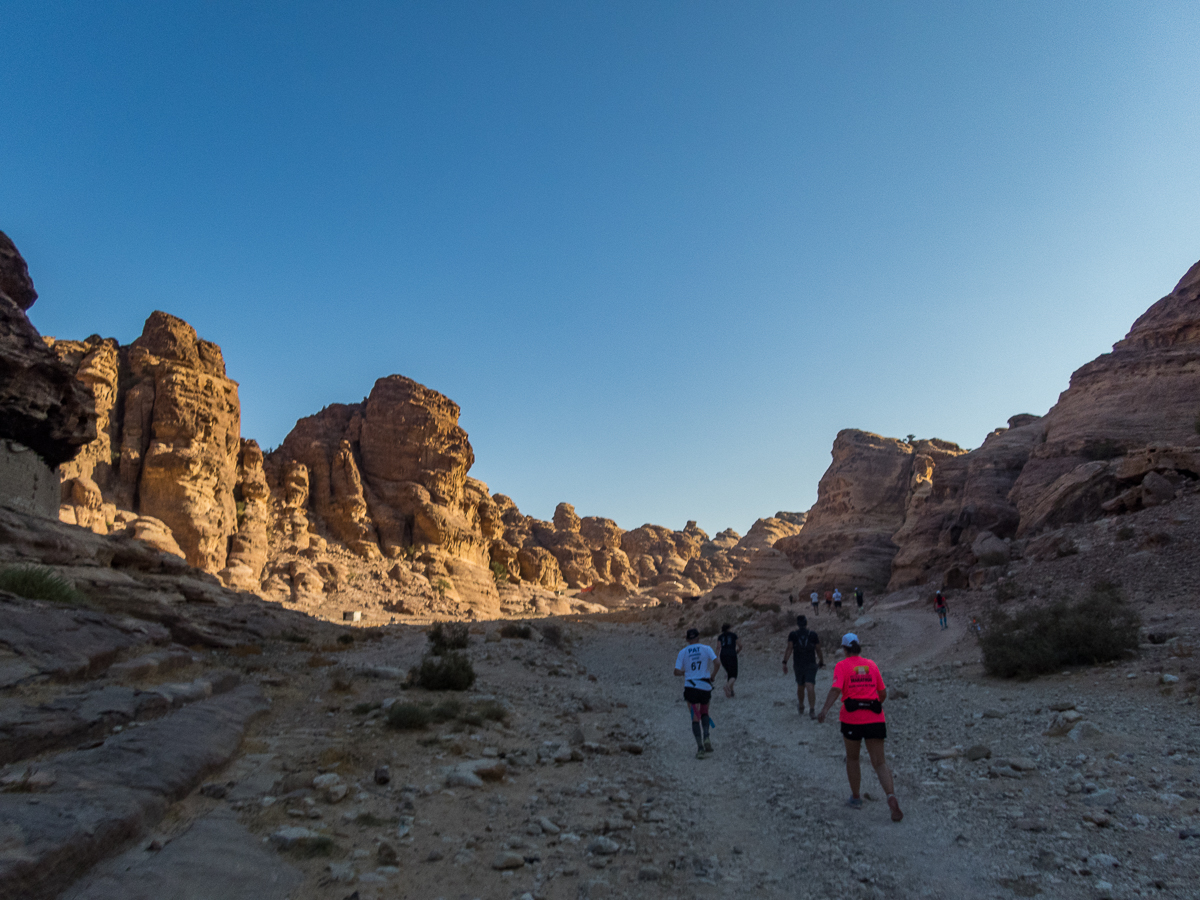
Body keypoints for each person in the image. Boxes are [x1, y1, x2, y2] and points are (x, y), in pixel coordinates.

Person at [816, 633, 903, 822]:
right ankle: (891, 796)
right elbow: (882, 693)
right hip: (875, 717)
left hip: (852, 719)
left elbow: (835, 689)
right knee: (880, 762)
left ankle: (856, 798)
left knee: (853, 758)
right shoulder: (871, 665)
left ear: (845, 649)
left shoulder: (842, 666)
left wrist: (824, 710)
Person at [674, 627, 720, 758]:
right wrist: (712, 676)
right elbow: (717, 663)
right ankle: (706, 736)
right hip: (705, 686)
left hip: (691, 687)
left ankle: (700, 748)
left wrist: (684, 672)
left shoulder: (683, 652)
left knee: (695, 717)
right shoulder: (706, 649)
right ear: (698, 637)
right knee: (705, 711)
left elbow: (676, 671)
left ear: (687, 639)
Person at [782, 615, 824, 718]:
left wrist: (784, 662)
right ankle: (812, 710)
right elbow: (818, 649)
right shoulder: (813, 634)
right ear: (806, 623)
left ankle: (801, 706)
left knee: (800, 686)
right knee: (810, 685)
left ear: (797, 624)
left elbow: (789, 648)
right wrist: (821, 660)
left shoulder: (793, 635)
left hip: (798, 664)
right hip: (810, 663)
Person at [716, 623, 741, 697]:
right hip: (732, 654)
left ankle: (731, 692)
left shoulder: (720, 636)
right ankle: (727, 686)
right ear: (729, 628)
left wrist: (716, 658)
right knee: (734, 675)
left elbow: (718, 647)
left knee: (730, 673)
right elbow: (740, 645)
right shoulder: (733, 635)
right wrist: (738, 651)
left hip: (723, 655)